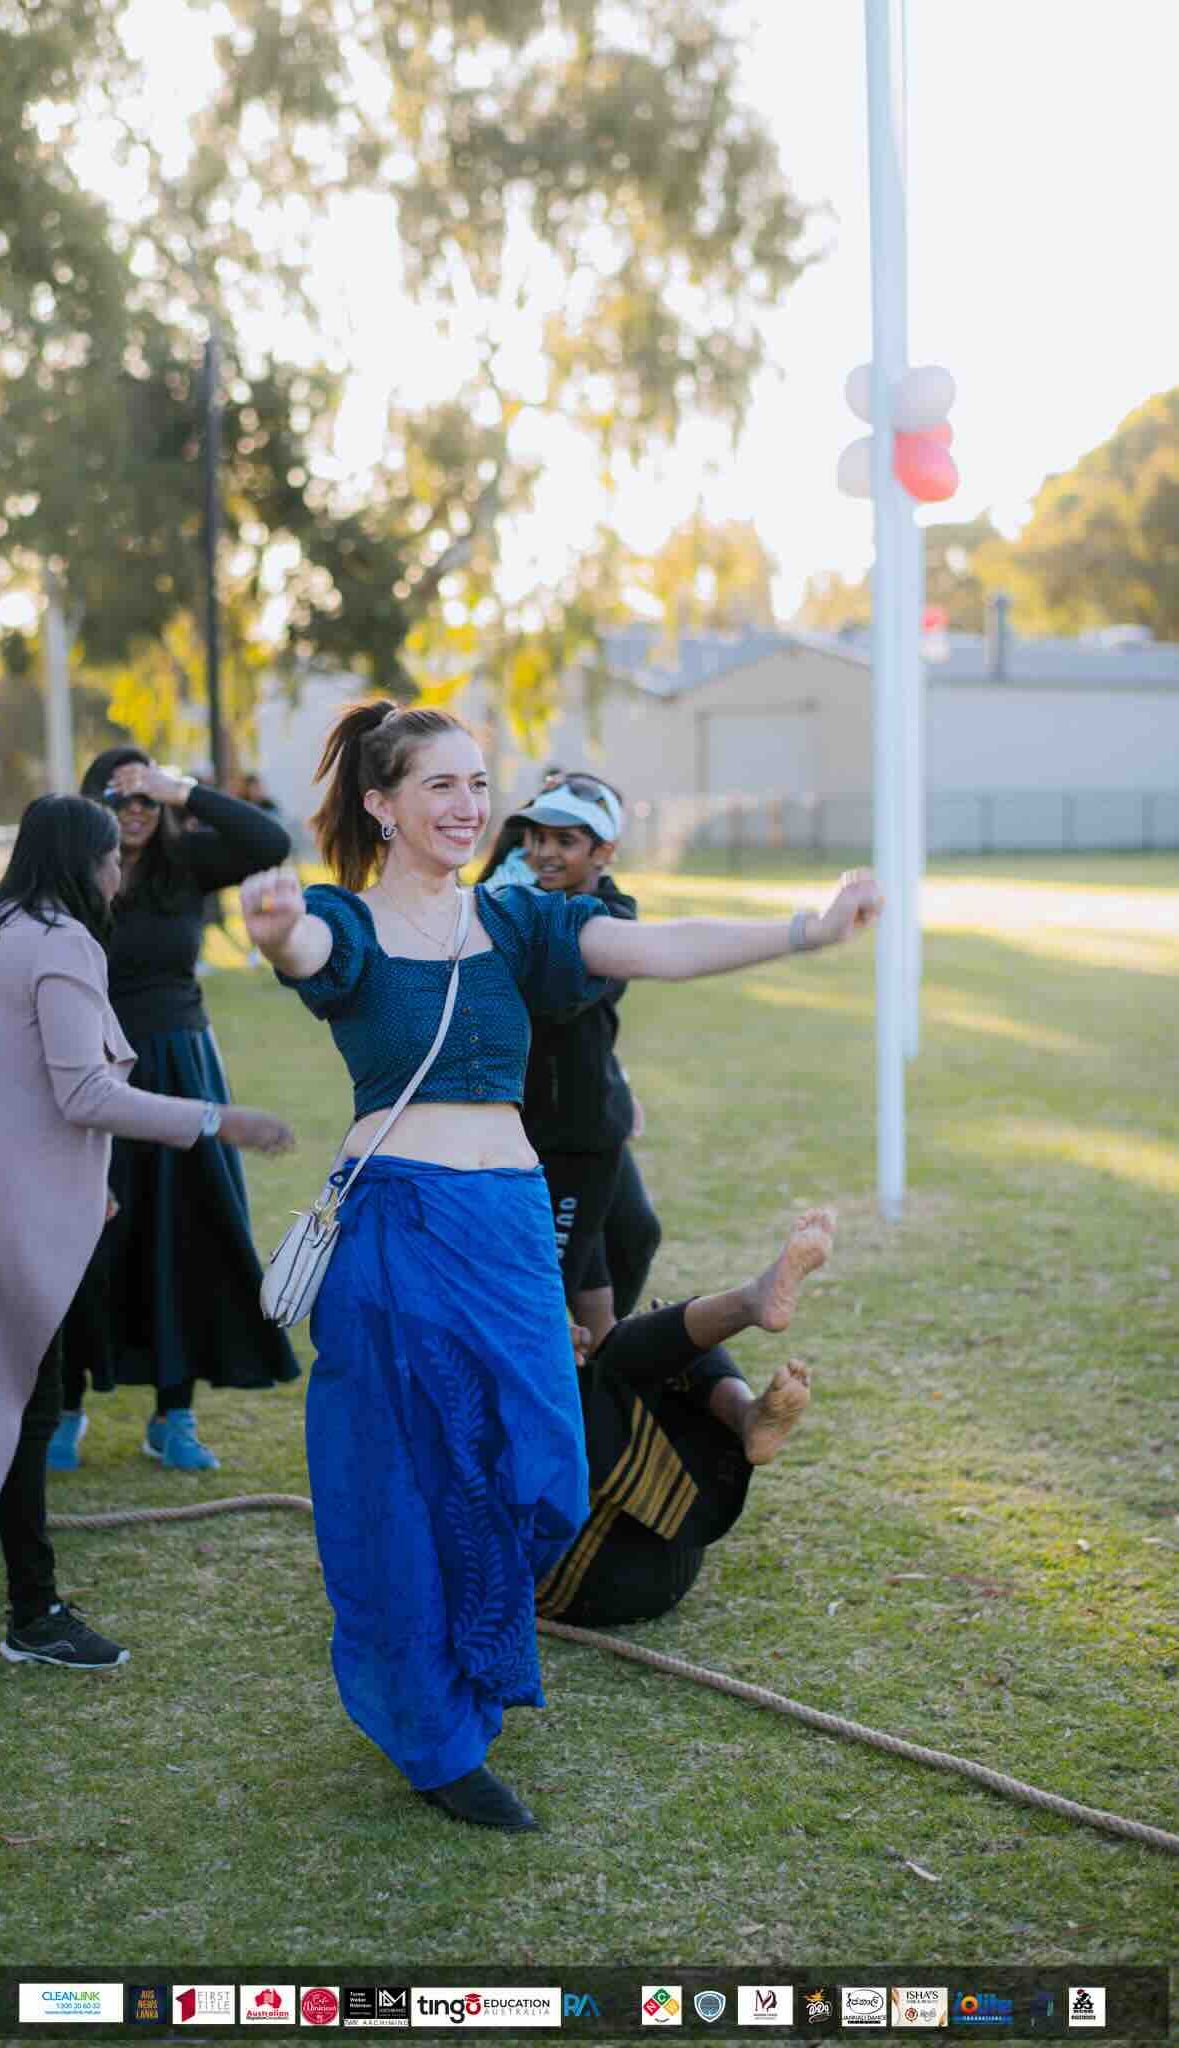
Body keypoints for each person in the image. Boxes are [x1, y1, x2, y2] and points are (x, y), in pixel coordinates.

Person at [240, 700, 881, 1832]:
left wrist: (808, 928)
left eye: (478, 783)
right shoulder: (348, 920)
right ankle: (435, 1735)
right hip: (399, 1235)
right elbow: (310, 952)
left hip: (507, 1226)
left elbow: (659, 944)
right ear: (383, 804)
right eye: (440, 785)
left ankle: (466, 1651)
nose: (469, 805)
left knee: (542, 1461)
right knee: (401, 1481)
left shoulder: (515, 918)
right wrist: (277, 926)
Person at [0, 795, 293, 1668]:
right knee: (25, 1391)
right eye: (109, 857)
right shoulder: (61, 939)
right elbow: (84, 1094)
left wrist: (88, 1181)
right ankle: (34, 1612)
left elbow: (5, 1073)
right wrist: (221, 1118)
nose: (117, 871)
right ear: (80, 859)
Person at [48, 749, 296, 1476]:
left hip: (181, 1065)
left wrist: (180, 789)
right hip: (91, 1070)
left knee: (183, 1234)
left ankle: (173, 1414)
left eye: (146, 799)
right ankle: (66, 1407)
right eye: (120, 797)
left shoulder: (186, 864)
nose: (135, 811)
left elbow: (268, 844)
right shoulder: (72, 874)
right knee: (85, 1238)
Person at [537, 1209, 834, 1628]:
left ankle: (749, 1413)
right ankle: (751, 1313)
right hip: (583, 1574)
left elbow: (601, 1320)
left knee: (652, 1340)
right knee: (619, 1361)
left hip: (642, 1551)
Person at [478, 771, 661, 1347]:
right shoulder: (512, 897)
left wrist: (522, 911)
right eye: (534, 837)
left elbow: (561, 1000)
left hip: (584, 1121)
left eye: (565, 841)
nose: (543, 853)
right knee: (574, 1278)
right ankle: (600, 1371)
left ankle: (604, 1373)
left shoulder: (612, 916)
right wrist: (511, 857)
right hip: (540, 1123)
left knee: (620, 1245)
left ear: (604, 852)